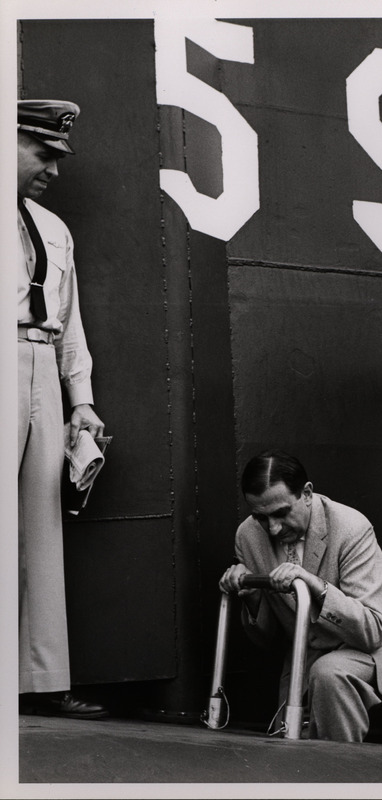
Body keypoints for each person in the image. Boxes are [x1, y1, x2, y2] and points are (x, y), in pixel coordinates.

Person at [219, 450, 382, 742]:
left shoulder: (351, 527)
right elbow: (268, 640)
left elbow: (374, 630)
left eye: (281, 513)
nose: (274, 528)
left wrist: (315, 586)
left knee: (330, 674)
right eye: (261, 517)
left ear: (307, 493)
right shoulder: (248, 537)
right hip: (311, 653)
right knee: (289, 741)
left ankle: (340, 779)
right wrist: (252, 597)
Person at [18, 99, 107, 718]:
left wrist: (83, 403)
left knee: (41, 524)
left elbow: (69, 324)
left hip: (42, 367)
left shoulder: (54, 227)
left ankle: (40, 678)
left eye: (58, 158)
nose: (54, 169)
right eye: (42, 154)